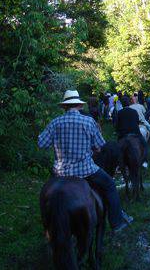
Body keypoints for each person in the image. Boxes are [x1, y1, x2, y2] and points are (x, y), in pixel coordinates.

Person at [38, 90, 132, 232]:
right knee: (110, 185)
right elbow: (100, 147)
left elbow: (41, 144)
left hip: (60, 172)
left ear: (64, 106)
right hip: (86, 170)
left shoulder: (55, 122)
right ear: (79, 106)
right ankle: (117, 222)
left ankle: (48, 230)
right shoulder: (88, 122)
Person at [116, 95, 149, 168]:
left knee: (117, 148)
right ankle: (145, 161)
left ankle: (119, 164)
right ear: (129, 102)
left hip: (124, 134)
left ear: (122, 104)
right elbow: (137, 122)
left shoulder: (119, 112)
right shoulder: (134, 111)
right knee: (145, 145)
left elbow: (117, 125)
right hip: (135, 133)